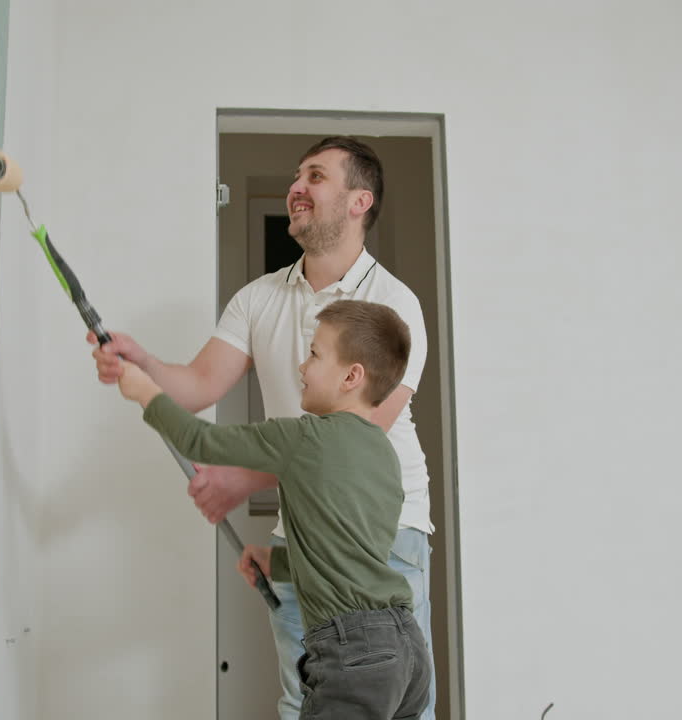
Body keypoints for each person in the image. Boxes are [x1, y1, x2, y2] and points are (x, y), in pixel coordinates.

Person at [91, 136, 435, 719]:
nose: (296, 187)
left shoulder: (392, 306)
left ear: (359, 201)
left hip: (386, 532)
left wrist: (240, 480)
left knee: (399, 711)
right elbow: (200, 385)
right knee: (304, 698)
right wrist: (142, 364)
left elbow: (353, 439)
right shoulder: (259, 298)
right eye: (297, 175)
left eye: (317, 176)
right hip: (298, 531)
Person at [114, 300, 430, 719]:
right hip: (406, 647)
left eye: (315, 354)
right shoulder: (385, 455)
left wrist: (145, 392)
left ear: (352, 376)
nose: (302, 366)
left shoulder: (303, 438)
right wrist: (277, 562)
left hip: (354, 653)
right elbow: (348, 551)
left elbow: (199, 441)